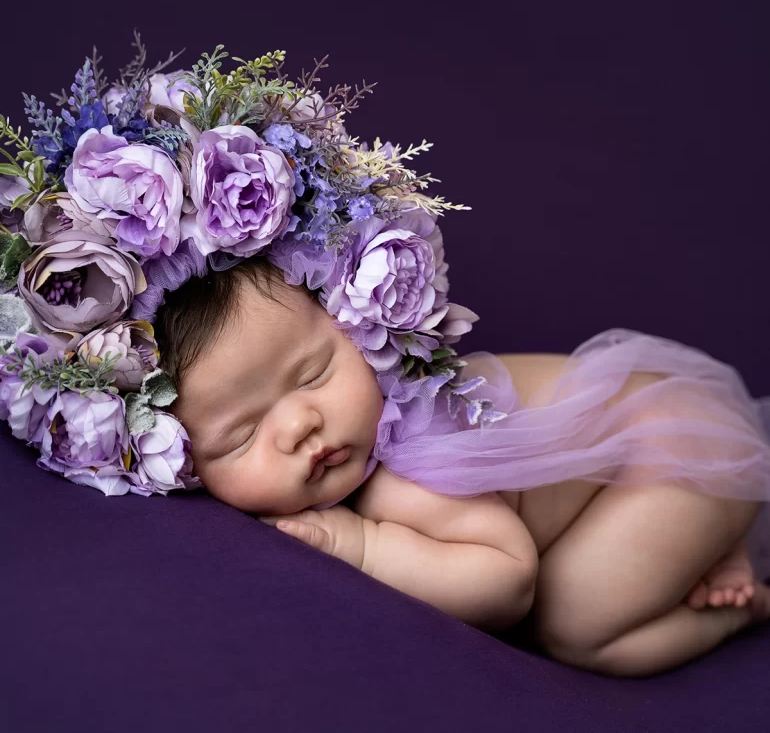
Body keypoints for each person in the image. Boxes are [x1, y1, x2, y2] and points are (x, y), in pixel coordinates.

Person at [153, 252, 770, 679]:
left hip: (677, 446)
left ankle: (741, 607)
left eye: (314, 374)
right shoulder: (350, 439)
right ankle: (711, 537)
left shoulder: (410, 463)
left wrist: (363, 547)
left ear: (358, 332)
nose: (298, 425)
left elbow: (509, 583)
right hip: (646, 448)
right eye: (242, 436)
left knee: (573, 624)